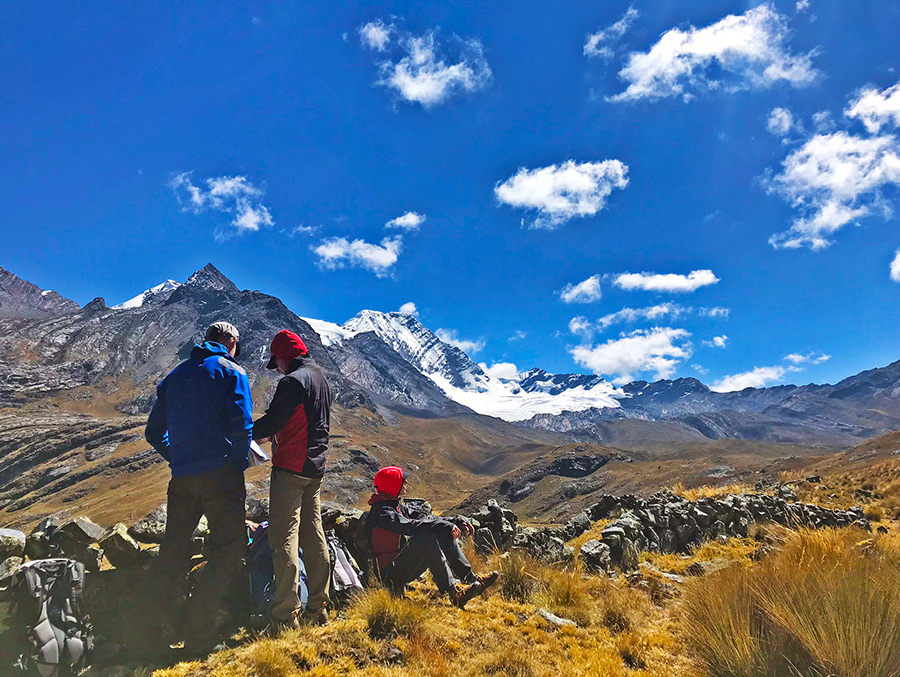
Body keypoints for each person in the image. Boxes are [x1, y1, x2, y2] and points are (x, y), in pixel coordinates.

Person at [144, 321, 253, 651]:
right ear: (231, 342)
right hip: (220, 475)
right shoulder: (232, 371)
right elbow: (242, 425)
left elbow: (152, 432)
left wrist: (176, 456)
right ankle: (200, 633)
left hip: (182, 478)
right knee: (228, 548)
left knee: (173, 551)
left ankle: (150, 631)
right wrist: (237, 462)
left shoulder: (174, 376)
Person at [252, 329, 333, 629]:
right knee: (314, 535)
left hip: (290, 467)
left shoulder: (292, 382)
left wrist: (243, 433)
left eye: (277, 363)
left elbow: (274, 421)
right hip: (316, 468)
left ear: (284, 357)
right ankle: (318, 607)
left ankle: (285, 615)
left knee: (283, 538)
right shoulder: (322, 379)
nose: (277, 370)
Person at [368, 466, 499, 608]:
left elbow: (426, 518)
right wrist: (443, 525)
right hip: (388, 575)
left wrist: (456, 521)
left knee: (441, 531)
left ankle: (471, 580)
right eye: (402, 481)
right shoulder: (381, 512)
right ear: (392, 485)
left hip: (401, 566)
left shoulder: (395, 506)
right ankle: (454, 592)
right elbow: (411, 525)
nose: (406, 483)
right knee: (427, 537)